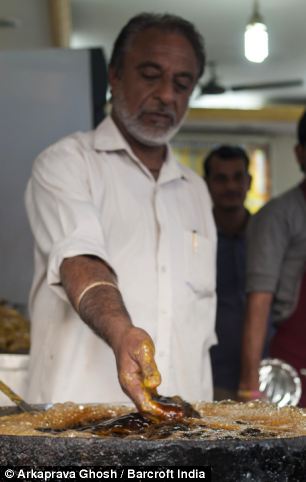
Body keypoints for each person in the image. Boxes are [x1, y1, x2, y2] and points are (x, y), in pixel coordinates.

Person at [25, 13, 217, 415]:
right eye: (150, 75)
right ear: (114, 76)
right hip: (77, 429)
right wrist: (121, 331)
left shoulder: (195, 191)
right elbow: (81, 258)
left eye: (182, 84)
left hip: (182, 431)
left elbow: (198, 329)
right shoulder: (66, 164)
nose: (167, 94)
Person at [239, 110, 306, 407]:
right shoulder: (278, 215)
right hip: (295, 365)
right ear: (300, 154)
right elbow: (259, 301)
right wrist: (249, 388)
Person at [203, 145, 251, 399]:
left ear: (249, 181)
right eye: (221, 179)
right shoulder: (195, 238)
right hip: (210, 375)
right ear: (207, 184)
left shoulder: (265, 235)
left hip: (265, 373)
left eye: (237, 177)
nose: (231, 187)